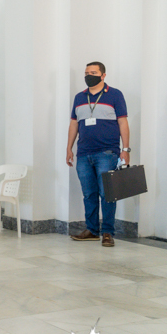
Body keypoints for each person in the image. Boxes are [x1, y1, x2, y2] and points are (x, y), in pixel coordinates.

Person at [66, 61, 130, 247]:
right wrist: (69, 147)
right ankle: (92, 230)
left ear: (103, 75)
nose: (88, 75)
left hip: (107, 152)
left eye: (93, 72)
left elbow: (123, 123)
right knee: (89, 194)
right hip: (84, 153)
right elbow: (73, 124)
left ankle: (108, 232)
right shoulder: (79, 97)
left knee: (107, 193)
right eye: (86, 72)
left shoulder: (115, 95)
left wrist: (125, 149)